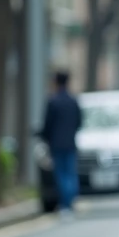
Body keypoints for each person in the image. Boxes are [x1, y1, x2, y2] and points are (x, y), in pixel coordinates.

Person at [40, 71, 82, 221]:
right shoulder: (73, 100)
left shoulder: (53, 101)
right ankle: (71, 202)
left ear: (56, 82)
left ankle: (65, 205)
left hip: (57, 145)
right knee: (71, 174)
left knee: (61, 175)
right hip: (70, 143)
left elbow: (47, 125)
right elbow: (79, 122)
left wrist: (44, 137)